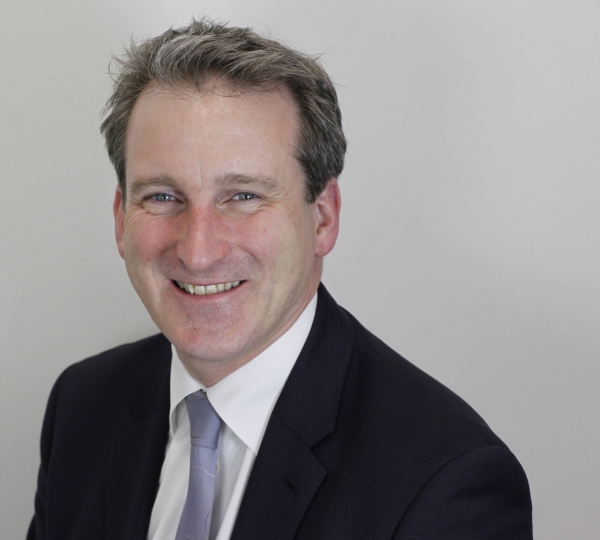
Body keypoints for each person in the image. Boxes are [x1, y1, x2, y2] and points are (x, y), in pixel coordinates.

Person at [26, 19, 532, 540]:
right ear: (120, 219)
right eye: (162, 196)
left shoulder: (445, 481)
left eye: (243, 196)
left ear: (323, 218)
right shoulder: (83, 406)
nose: (198, 252)